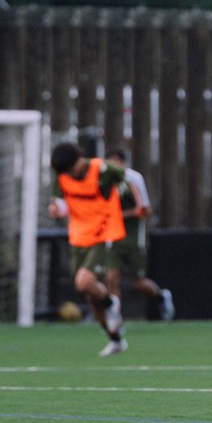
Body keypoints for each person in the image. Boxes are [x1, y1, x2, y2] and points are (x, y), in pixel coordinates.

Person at [48, 142, 129, 356]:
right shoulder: (62, 177)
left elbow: (133, 177)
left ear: (78, 160)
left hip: (103, 234)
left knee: (83, 282)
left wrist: (142, 202)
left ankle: (112, 302)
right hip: (78, 237)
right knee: (89, 294)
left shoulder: (101, 169)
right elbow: (63, 205)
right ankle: (115, 339)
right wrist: (57, 209)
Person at [104, 148, 174, 321]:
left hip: (134, 237)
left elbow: (145, 210)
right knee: (112, 277)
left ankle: (161, 296)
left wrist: (122, 215)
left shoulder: (132, 178)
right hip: (114, 237)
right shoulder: (107, 181)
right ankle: (115, 318)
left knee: (137, 281)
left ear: (120, 161)